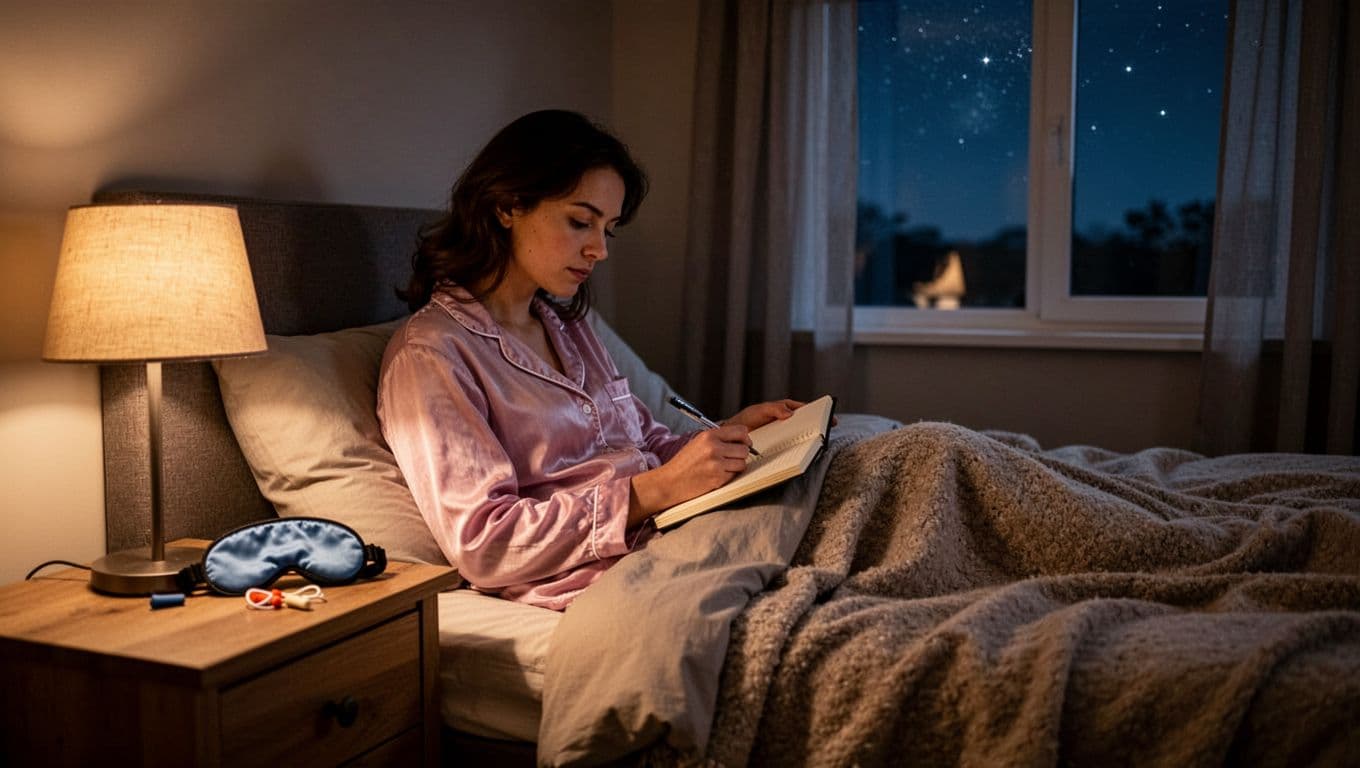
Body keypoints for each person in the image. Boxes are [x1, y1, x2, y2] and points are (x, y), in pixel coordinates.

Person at [377, 110, 802, 610]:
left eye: (608, 229)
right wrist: (653, 492)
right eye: (580, 222)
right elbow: (484, 544)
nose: (599, 250)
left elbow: (642, 444)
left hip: (679, 534)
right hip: (612, 577)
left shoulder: (569, 326)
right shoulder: (432, 355)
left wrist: (728, 436)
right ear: (508, 205)